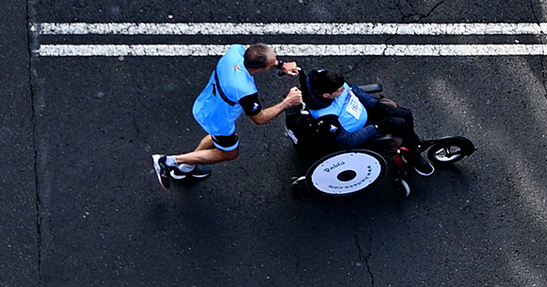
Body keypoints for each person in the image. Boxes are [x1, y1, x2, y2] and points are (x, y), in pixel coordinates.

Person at [151, 43, 303, 190]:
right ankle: (169, 161)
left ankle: (186, 168)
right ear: (259, 69)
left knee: (215, 138)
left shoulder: (235, 51)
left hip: (204, 105)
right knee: (229, 153)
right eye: (271, 64)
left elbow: (254, 57)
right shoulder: (245, 90)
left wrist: (280, 64)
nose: (274, 63)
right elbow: (260, 118)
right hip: (217, 120)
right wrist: (288, 102)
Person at [297, 69, 434, 176]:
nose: (343, 90)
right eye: (339, 91)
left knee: (406, 113)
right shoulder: (326, 117)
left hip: (366, 112)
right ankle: (413, 157)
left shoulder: (326, 79)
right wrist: (378, 126)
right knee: (400, 123)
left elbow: (353, 90)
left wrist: (375, 105)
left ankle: (412, 141)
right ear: (327, 95)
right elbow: (347, 142)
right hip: (363, 130)